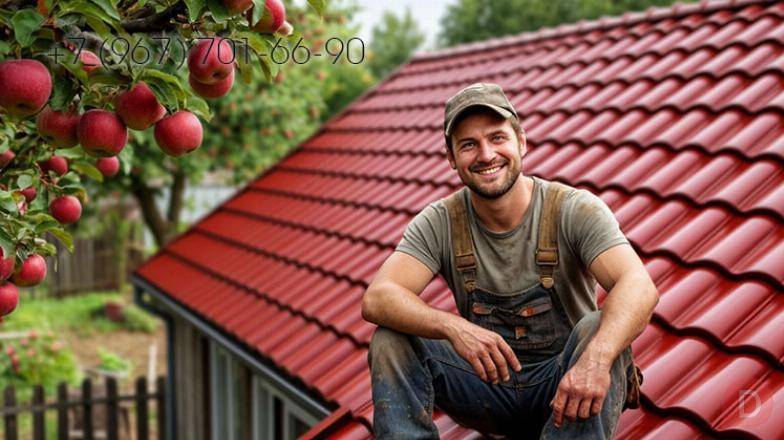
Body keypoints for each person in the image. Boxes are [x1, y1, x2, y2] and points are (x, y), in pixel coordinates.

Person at [361, 83, 659, 439]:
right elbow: (378, 297)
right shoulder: (441, 221)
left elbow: (639, 285)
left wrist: (595, 361)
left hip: (566, 391)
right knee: (392, 339)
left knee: (599, 327)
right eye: (469, 144)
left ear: (521, 142)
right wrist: (454, 327)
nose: (486, 155)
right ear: (452, 158)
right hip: (489, 391)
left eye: (497, 138)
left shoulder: (574, 209)